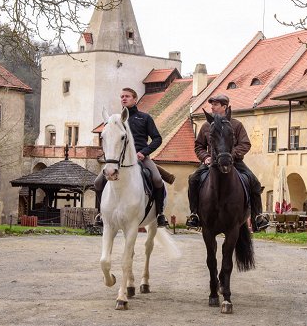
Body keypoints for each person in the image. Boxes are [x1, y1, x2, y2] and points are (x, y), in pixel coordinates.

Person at [186, 94, 269, 232]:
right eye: (211, 104)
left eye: (215, 104)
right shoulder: (207, 125)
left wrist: (231, 155)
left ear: (224, 107)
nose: (212, 107)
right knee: (193, 179)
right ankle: (194, 214)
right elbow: (199, 146)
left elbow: (245, 144)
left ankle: (257, 217)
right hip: (211, 163)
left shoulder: (236, 124)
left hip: (234, 162)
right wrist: (205, 157)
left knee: (254, 182)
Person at [95, 87, 168, 227]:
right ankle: (101, 214)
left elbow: (157, 139)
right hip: (118, 160)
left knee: (158, 180)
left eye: (127, 96)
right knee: (98, 182)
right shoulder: (115, 120)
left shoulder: (145, 118)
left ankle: (159, 214)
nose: (124, 98)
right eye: (122, 96)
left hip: (141, 156)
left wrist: (144, 152)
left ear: (135, 99)